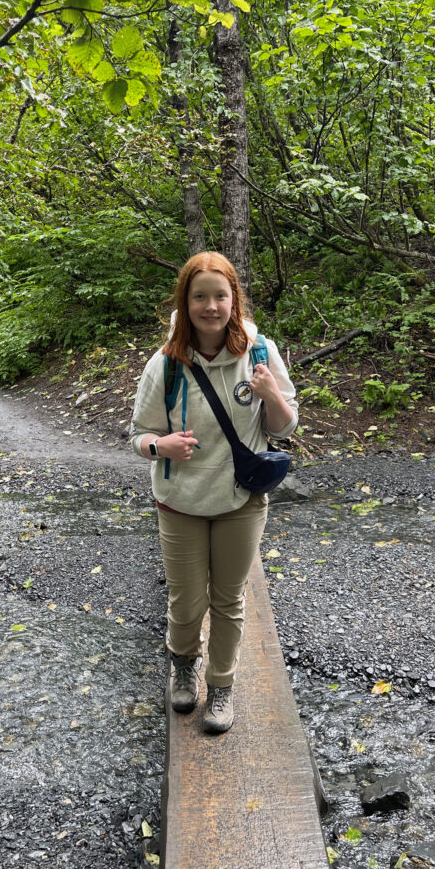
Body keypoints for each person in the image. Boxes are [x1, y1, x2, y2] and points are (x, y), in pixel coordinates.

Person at [129, 252, 298, 734]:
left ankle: (221, 685)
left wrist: (270, 395)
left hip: (240, 501)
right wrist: (160, 444)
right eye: (199, 296)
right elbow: (138, 435)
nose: (210, 306)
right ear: (186, 301)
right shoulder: (165, 364)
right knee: (186, 603)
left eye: (220, 296)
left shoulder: (260, 353)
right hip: (179, 501)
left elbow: (285, 429)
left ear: (233, 299)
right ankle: (184, 664)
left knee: (228, 600)